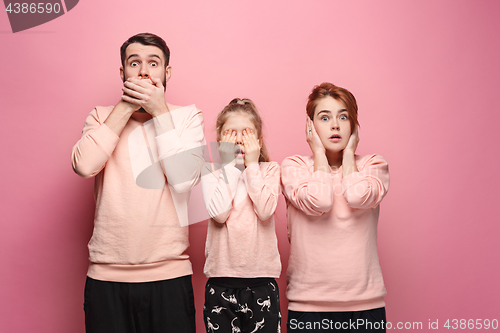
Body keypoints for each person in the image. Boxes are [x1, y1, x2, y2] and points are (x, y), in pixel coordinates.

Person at [71, 32, 205, 333]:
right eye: (135, 63)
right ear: (123, 73)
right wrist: (126, 106)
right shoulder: (101, 116)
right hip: (106, 279)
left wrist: (159, 110)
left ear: (166, 73)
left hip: (169, 277)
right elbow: (84, 165)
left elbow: (184, 180)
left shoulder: (187, 118)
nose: (144, 71)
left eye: (153, 63)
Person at [281, 83, 390, 332]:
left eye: (343, 116)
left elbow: (356, 196)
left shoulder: (374, 164)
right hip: (308, 308)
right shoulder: (294, 167)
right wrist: (318, 153)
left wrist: (350, 154)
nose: (335, 125)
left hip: (366, 307)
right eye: (324, 117)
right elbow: (321, 202)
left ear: (353, 124)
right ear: (310, 126)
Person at [201, 99, 282, 333]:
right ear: (219, 139)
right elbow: (219, 214)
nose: (237, 139)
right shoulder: (211, 172)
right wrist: (229, 167)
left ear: (258, 141)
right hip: (220, 282)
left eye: (245, 133)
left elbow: (265, 211)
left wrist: (252, 166)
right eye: (230, 133)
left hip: (262, 282)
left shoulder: (269, 170)